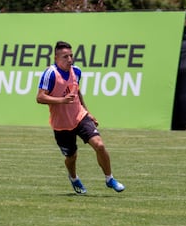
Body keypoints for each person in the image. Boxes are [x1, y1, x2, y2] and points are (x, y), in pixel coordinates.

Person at [36, 41, 125, 194]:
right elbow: (40, 97)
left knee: (100, 145)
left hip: (80, 116)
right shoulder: (50, 74)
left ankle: (109, 178)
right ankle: (73, 177)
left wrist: (87, 112)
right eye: (65, 56)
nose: (70, 59)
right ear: (56, 58)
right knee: (71, 157)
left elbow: (77, 92)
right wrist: (61, 101)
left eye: (71, 56)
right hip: (61, 124)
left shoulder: (76, 71)